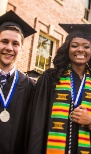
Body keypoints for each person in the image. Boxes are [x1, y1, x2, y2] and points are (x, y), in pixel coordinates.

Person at [27, 23, 91, 154]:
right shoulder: (50, 79)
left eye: (86, 46)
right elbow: (37, 122)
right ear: (67, 49)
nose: (80, 50)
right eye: (74, 45)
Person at [0, 10, 36, 154]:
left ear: (21, 48)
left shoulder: (30, 87)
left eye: (15, 43)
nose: (9, 48)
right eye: (4, 41)